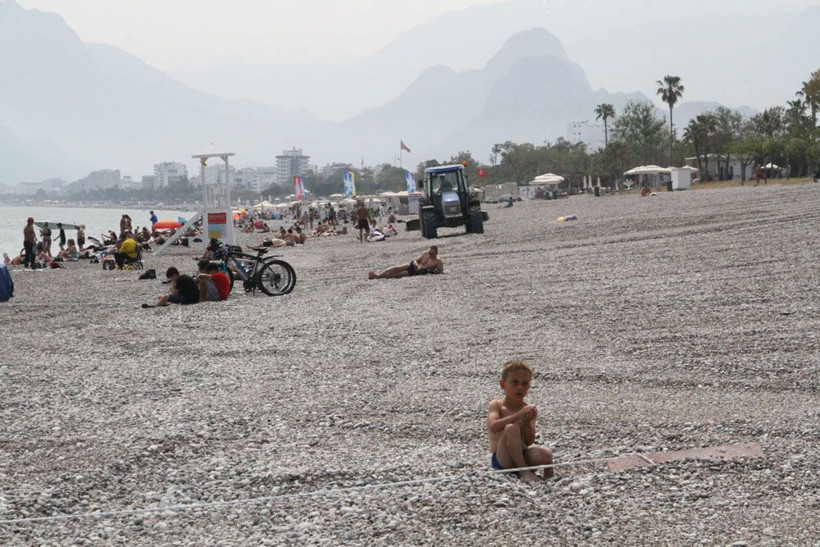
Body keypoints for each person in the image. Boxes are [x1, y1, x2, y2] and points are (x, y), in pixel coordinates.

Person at [487, 360, 554, 482]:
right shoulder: (496, 405)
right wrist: (518, 416)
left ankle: (549, 476)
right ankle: (524, 472)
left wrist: (527, 423)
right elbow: (493, 426)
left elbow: (529, 441)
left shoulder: (528, 409)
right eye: (514, 382)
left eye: (525, 384)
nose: (520, 387)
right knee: (511, 428)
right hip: (503, 460)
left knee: (546, 454)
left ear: (529, 386)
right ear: (503, 385)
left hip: (521, 454)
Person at [368, 246, 443, 279]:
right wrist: (416, 265)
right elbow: (415, 261)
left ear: (436, 253)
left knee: (398, 275)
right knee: (397, 268)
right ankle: (379, 274)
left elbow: (440, 272)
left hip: (418, 271)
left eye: (432, 254)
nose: (430, 255)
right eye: (429, 252)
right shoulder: (425, 254)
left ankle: (377, 277)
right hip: (414, 266)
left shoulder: (438, 261)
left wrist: (430, 271)